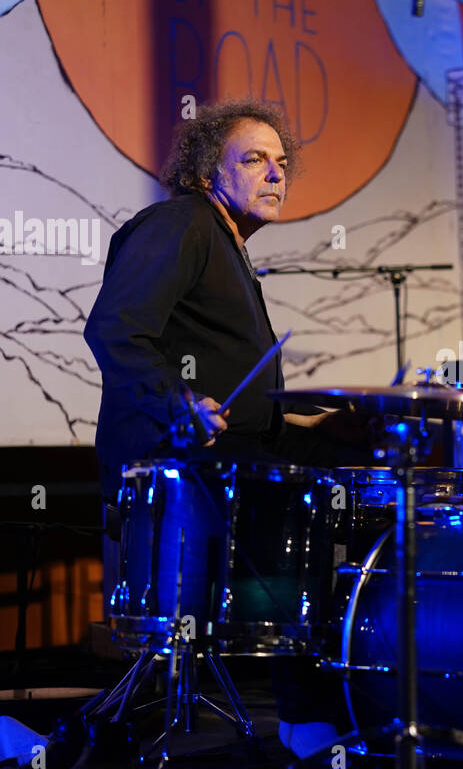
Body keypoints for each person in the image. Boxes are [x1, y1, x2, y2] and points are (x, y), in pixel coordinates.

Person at [85, 98, 368, 505]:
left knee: (358, 466)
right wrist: (181, 405)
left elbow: (230, 381)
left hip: (230, 446)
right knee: (309, 497)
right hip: (177, 456)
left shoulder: (226, 241)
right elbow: (114, 329)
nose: (275, 175)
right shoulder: (182, 223)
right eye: (255, 160)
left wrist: (313, 419)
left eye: (282, 163)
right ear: (205, 174)